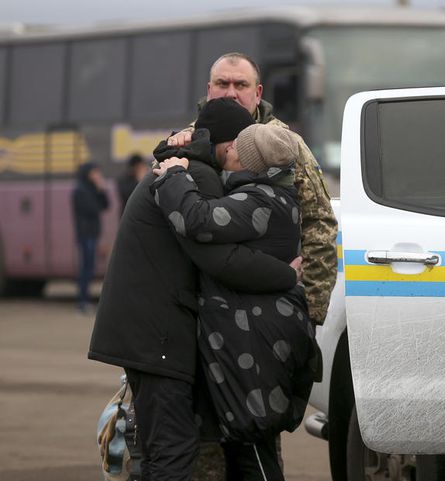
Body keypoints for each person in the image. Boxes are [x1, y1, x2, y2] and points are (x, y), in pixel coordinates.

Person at [88, 98, 300, 481]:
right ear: (224, 143)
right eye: (238, 143)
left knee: (155, 452)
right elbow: (218, 257)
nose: (240, 151)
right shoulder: (195, 177)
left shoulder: (186, 167)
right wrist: (287, 276)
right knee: (173, 451)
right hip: (158, 335)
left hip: (143, 330)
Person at [153, 121, 320, 481]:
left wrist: (173, 176)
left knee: (253, 447)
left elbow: (196, 219)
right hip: (256, 340)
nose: (228, 151)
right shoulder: (274, 194)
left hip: (254, 346)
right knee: (247, 446)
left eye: (236, 150)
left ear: (251, 162)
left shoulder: (259, 201)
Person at [168, 52, 338, 326]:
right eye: (222, 84)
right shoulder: (183, 142)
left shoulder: (284, 144)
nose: (231, 93)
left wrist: (312, 310)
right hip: (199, 308)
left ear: (258, 93)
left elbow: (319, 222)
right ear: (209, 90)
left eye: (241, 85)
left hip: (270, 304)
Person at [72, 162, 109, 313]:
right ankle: (82, 301)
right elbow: (93, 209)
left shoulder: (92, 189)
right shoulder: (80, 190)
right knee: (86, 268)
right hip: (85, 234)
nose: (97, 176)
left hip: (93, 233)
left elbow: (106, 205)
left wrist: (101, 190)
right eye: (95, 172)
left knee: (90, 266)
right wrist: (98, 190)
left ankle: (84, 300)